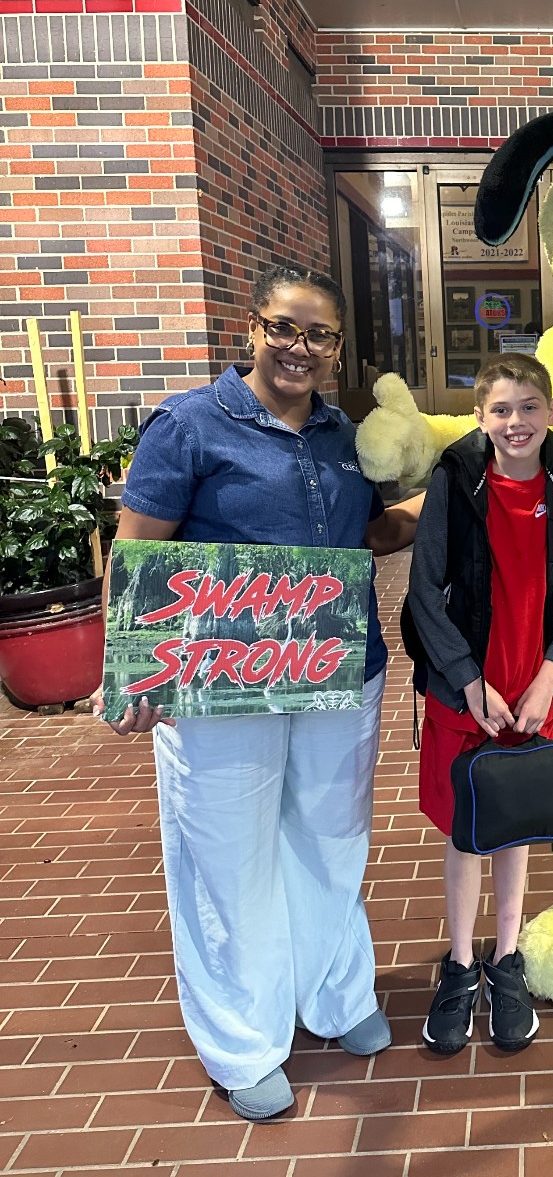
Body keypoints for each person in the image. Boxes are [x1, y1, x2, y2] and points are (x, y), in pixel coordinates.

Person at [93, 265, 422, 1121]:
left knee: (330, 834)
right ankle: (242, 1040)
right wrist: (132, 668)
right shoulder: (191, 425)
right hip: (218, 685)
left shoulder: (346, 433)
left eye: (318, 336)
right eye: (284, 328)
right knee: (228, 856)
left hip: (338, 670)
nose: (298, 349)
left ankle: (336, 994)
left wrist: (447, 498)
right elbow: (136, 549)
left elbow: (365, 532)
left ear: (337, 348)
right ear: (253, 329)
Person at [406, 353, 553, 1055]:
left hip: (529, 685)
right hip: (467, 686)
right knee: (466, 828)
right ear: (481, 418)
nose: (515, 422)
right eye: (500, 410)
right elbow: (424, 592)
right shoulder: (456, 481)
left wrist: (550, 673)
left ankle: (506, 958)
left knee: (514, 821)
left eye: (528, 407)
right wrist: (464, 679)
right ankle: (460, 964)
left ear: (550, 411)